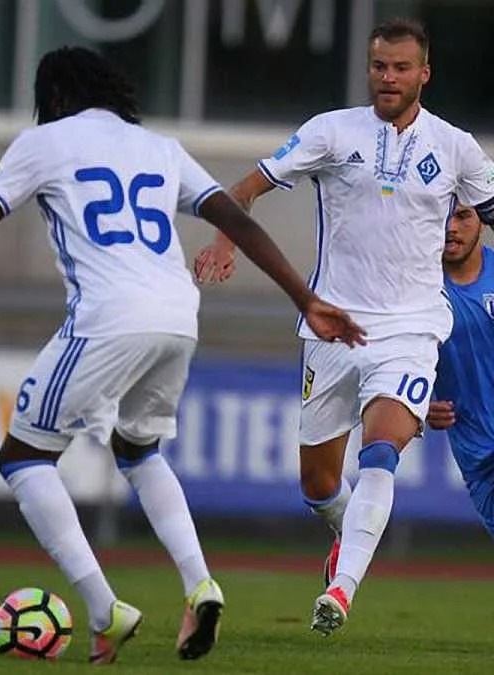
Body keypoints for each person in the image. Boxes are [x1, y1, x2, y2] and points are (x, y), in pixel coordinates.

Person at [0, 46, 364, 664]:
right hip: (178, 315)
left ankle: (104, 611)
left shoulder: (44, 142)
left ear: (54, 97)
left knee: (23, 457)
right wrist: (305, 298)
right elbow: (239, 223)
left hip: (108, 316)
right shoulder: (159, 147)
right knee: (138, 450)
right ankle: (201, 584)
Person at [192, 18, 494, 636]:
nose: (389, 77)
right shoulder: (331, 131)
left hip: (411, 328)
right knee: (318, 484)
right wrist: (224, 240)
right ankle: (343, 532)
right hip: (332, 326)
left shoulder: (456, 147)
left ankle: (341, 590)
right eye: (380, 66)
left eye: (401, 67)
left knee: (381, 450)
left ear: (424, 74)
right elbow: (243, 190)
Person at [426, 203, 494, 539]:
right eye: (442, 216)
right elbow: (386, 360)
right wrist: (416, 404)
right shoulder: (414, 290)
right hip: (477, 456)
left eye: (463, 216)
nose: (450, 227)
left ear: (482, 221)